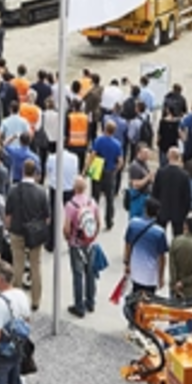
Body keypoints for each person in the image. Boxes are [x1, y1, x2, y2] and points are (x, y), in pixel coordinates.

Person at [5, 160, 49, 312]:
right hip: (35, 234)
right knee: (35, 266)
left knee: (18, 265)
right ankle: (35, 300)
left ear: (23, 171)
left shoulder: (13, 190)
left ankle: (17, 297)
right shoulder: (41, 192)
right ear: (35, 173)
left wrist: (8, 228)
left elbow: (8, 215)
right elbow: (47, 218)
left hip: (17, 231)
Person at [64, 176, 101, 318]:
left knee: (78, 275)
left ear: (74, 188)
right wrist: (92, 237)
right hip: (90, 243)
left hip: (76, 244)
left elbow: (67, 228)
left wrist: (69, 239)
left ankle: (79, 306)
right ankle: (90, 302)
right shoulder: (92, 202)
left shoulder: (71, 205)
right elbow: (98, 223)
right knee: (90, 273)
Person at [124, 197, 169, 295]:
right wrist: (161, 277)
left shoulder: (133, 223)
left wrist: (127, 263)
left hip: (135, 270)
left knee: (135, 295)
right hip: (150, 275)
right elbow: (162, 258)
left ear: (145, 209)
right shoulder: (160, 232)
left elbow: (128, 245)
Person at [89, 120, 125, 231]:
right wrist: (115, 170)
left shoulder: (98, 141)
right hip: (109, 171)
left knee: (95, 197)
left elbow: (93, 155)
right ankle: (109, 221)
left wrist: (87, 169)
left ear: (105, 129)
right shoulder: (117, 144)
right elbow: (120, 161)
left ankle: (93, 220)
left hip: (97, 170)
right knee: (109, 198)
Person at [152, 148, 192, 240]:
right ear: (179, 158)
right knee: (178, 237)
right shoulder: (184, 175)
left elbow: (155, 192)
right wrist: (185, 211)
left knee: (159, 235)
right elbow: (187, 196)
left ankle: (159, 253)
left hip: (162, 209)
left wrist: (155, 209)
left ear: (168, 156)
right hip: (178, 211)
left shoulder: (161, 172)